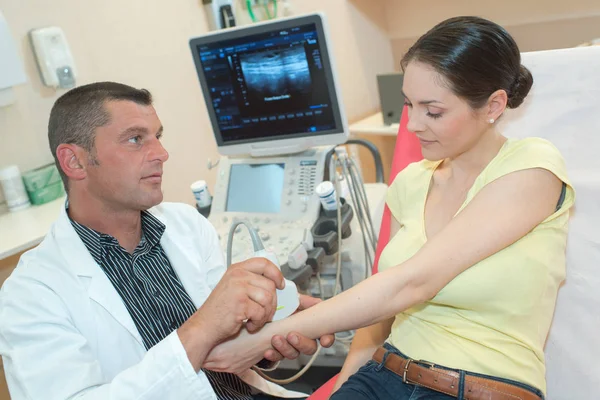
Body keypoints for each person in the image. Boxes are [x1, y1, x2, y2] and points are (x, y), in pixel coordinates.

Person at [199, 16, 575, 400]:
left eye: (434, 111)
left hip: (481, 387)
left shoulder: (532, 167)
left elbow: (411, 283)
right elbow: (379, 315)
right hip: (385, 373)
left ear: (494, 104)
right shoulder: (410, 182)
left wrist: (263, 338)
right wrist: (341, 390)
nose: (412, 124)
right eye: (409, 104)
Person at [0, 82, 335, 400]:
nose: (161, 153)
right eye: (135, 139)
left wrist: (266, 329)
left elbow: (225, 349)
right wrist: (200, 330)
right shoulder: (30, 295)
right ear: (75, 161)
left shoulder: (187, 226)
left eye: (157, 136)